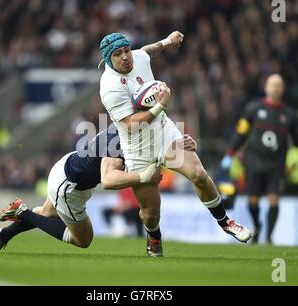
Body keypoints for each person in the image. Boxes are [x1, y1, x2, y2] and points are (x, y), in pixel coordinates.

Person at [99, 31, 251, 257]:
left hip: (164, 133)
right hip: (137, 148)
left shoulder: (138, 57)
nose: (125, 57)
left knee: (199, 175)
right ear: (109, 59)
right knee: (150, 214)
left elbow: (148, 51)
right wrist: (160, 105)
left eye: (127, 50)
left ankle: (225, 221)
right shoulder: (110, 87)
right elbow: (130, 124)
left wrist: (168, 42)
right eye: (118, 54)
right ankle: (154, 238)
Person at [0, 124, 196, 252]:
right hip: (70, 186)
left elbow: (151, 145)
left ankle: (2, 236)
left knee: (46, 213)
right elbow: (107, 180)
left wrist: (178, 143)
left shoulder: (125, 127)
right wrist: (143, 176)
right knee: (83, 240)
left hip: (67, 167)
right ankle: (23, 212)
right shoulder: (120, 143)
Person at [221, 74, 298, 244]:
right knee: (253, 202)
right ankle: (258, 225)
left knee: (274, 199)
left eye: (278, 85)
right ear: (266, 87)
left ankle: (269, 237)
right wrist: (229, 154)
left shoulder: (290, 115)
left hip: (276, 165)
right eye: (272, 85)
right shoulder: (253, 109)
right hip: (254, 163)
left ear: (283, 89)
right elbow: (240, 133)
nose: (275, 88)